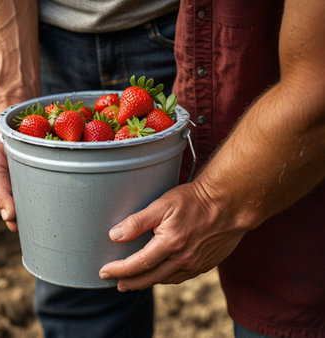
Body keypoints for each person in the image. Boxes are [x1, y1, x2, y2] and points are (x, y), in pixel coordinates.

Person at [98, 0, 325, 337]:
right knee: (81, 297)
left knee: (284, 300)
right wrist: (10, 92)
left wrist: (212, 202)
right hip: (56, 39)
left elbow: (314, 91)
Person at [0, 0, 180, 337]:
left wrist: (220, 199)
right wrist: (12, 102)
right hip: (54, 38)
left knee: (267, 273)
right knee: (73, 272)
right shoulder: (71, 118)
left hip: (186, 30)